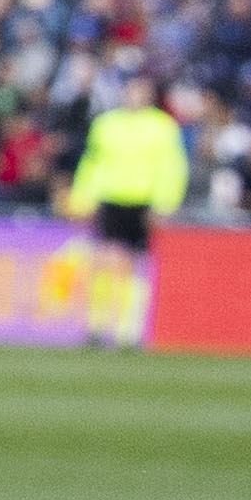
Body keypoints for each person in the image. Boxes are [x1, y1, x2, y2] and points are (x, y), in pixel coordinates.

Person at [62, 78, 192, 348]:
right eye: (130, 90)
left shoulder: (162, 127)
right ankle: (97, 326)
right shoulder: (107, 125)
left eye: (140, 91)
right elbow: (92, 163)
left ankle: (129, 331)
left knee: (135, 267)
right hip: (111, 199)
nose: (134, 96)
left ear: (149, 95)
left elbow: (172, 168)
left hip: (143, 202)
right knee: (104, 262)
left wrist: (164, 203)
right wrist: (82, 199)